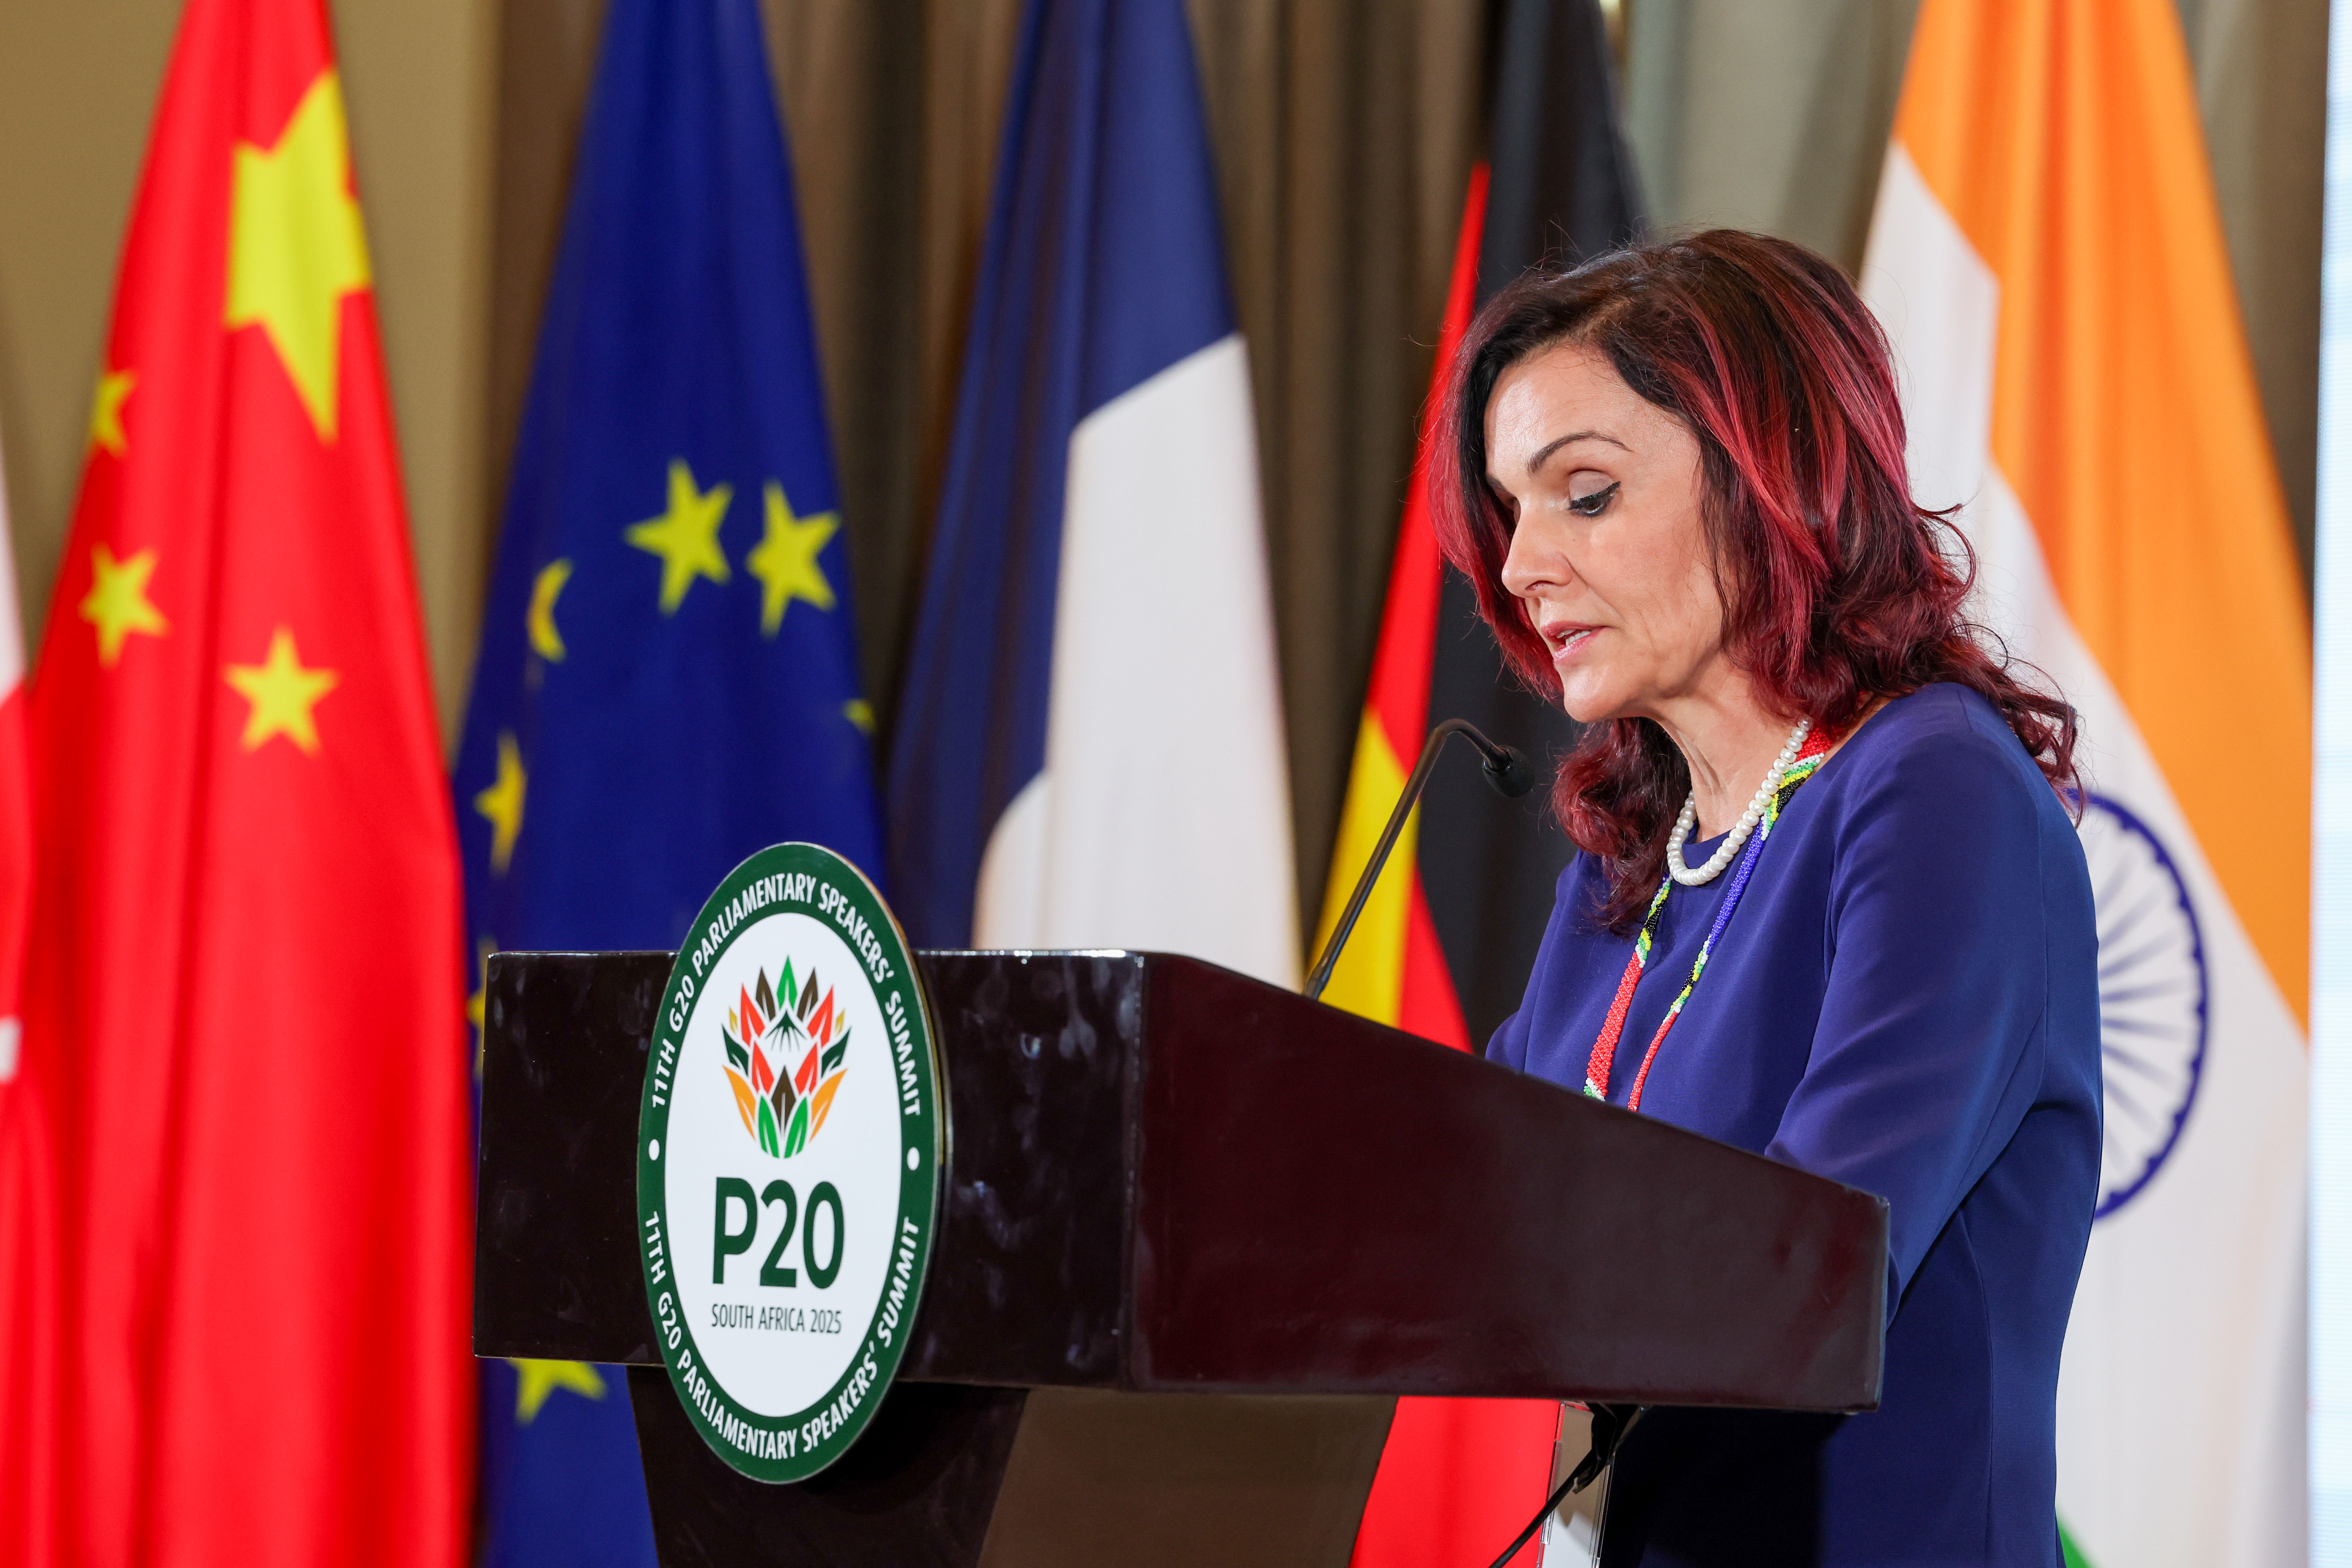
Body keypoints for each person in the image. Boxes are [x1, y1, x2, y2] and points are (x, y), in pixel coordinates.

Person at [1435, 230, 2101, 1566]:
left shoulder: (1935, 790)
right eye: (1511, 510)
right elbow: (1460, 1199)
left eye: (1585, 494)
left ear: (1766, 476)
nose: (1519, 566)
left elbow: (1809, 1275)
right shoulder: (1628, 865)